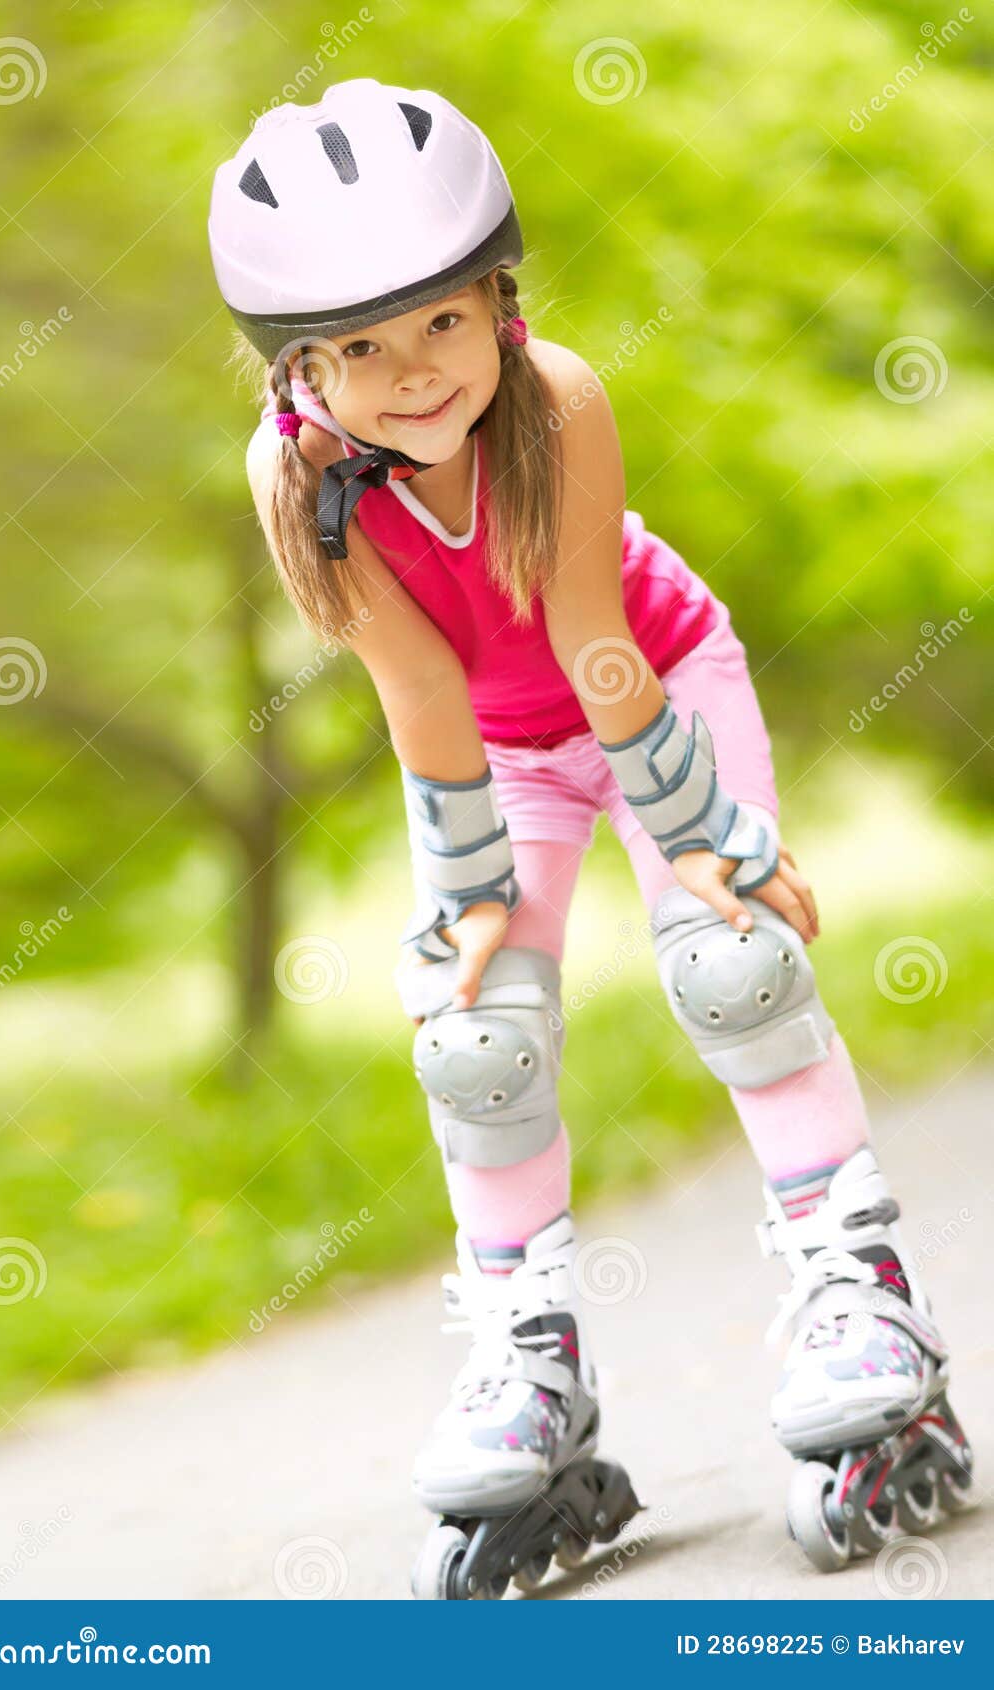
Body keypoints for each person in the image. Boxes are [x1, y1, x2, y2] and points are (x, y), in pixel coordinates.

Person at [208, 77, 970, 1593]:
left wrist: (709, 841)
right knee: (477, 1035)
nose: (415, 371)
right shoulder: (293, 476)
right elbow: (421, 683)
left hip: (653, 682)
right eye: (362, 346)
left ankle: (856, 1285)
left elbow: (595, 642)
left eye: (441, 320)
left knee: (731, 962)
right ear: (301, 370)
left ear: (500, 296)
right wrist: (468, 895)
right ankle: (525, 1354)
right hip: (501, 746)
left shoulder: (554, 398)